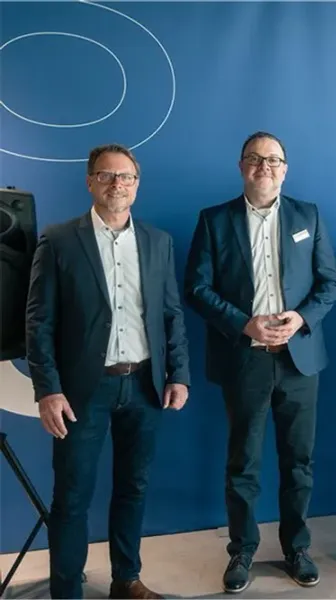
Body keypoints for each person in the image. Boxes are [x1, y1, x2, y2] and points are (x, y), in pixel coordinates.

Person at [26, 144, 190, 599]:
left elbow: (171, 314)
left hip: (144, 385)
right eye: (107, 175)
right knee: (72, 497)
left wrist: (178, 373)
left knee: (134, 488)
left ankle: (126, 579)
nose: (118, 184)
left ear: (137, 185)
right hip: (83, 391)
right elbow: (39, 322)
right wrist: (48, 389)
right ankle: (66, 592)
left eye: (126, 177)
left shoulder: (158, 242)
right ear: (90, 181)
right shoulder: (59, 240)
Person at [183, 131, 336, 593]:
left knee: (299, 463)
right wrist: (244, 324)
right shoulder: (215, 220)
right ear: (241, 167)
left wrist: (302, 317)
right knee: (243, 464)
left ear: (285, 169)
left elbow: (329, 284)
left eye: (273, 160)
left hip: (299, 361)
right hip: (245, 360)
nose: (264, 166)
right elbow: (197, 288)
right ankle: (242, 551)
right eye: (255, 159)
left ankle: (297, 549)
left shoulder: (308, 216)